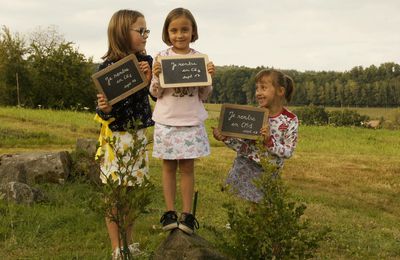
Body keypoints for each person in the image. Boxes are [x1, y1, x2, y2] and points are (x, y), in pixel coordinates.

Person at [149, 7, 215, 235]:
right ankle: (169, 212)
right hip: (166, 121)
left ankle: (187, 215)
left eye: (184, 30)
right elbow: (156, 93)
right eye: (174, 30)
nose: (179, 35)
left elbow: (204, 95)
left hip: (190, 121)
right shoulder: (161, 58)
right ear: (167, 33)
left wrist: (208, 78)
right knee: (168, 166)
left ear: (193, 31)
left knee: (187, 168)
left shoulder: (199, 59)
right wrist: (155, 75)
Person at [94, 9, 154, 259]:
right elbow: (103, 109)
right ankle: (116, 247)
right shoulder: (108, 68)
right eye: (140, 31)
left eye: (146, 31)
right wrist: (104, 108)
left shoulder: (146, 61)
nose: (145, 36)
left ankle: (129, 241)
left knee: (132, 193)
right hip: (117, 139)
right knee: (115, 195)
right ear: (121, 33)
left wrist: (150, 79)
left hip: (138, 136)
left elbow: (154, 95)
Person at [213, 69, 298, 202]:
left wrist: (269, 142)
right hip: (244, 166)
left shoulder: (290, 120)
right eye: (257, 88)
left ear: (280, 91)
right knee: (238, 206)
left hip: (268, 172)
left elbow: (288, 151)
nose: (258, 93)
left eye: (263, 88)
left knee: (259, 210)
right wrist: (226, 138)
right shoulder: (253, 115)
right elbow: (243, 147)